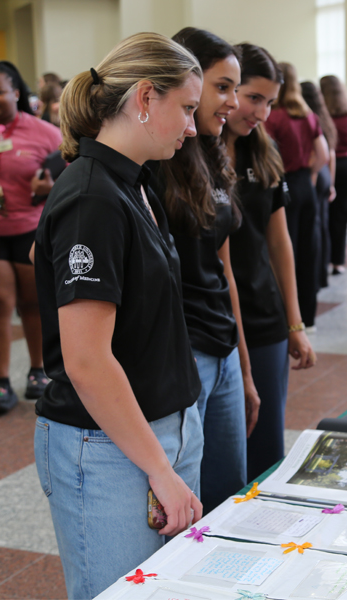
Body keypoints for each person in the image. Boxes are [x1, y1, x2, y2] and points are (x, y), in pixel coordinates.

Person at [33, 33, 204, 599]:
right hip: (107, 447)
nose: (194, 127)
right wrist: (159, 467)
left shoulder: (133, 180)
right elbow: (85, 360)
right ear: (146, 98)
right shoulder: (93, 195)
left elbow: (48, 254)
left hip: (157, 429)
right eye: (187, 108)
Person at [155, 27, 253, 514]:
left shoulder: (213, 156)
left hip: (223, 349)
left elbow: (223, 272)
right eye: (222, 87)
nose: (233, 101)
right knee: (188, 500)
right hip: (184, 355)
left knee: (230, 488)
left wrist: (245, 370)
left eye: (236, 88)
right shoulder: (156, 161)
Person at [223, 43, 316, 480]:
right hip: (215, 321)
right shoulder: (192, 154)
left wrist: (294, 324)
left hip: (264, 319)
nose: (261, 112)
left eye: (270, 102)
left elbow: (279, 243)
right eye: (253, 97)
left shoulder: (262, 151)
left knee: (265, 451)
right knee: (224, 459)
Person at [0, 61, 61, 414]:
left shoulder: (44, 132)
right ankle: (1, 382)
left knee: (33, 303)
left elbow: (68, 174)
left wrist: (48, 188)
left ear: (16, 93)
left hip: (30, 227)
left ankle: (38, 372)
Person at [265, 64, 328, 329]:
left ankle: (288, 317)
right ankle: (309, 317)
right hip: (305, 183)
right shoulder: (308, 114)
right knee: (308, 250)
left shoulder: (273, 117)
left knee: (283, 251)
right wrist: (309, 176)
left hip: (283, 182)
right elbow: (323, 155)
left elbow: (266, 156)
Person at [320, 75, 347, 276]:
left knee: (325, 213)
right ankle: (339, 261)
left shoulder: (322, 116)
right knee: (342, 214)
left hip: (328, 164)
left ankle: (325, 258)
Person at [300, 80, 335, 290]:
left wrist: (311, 177)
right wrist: (331, 181)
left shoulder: (306, 117)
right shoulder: (324, 116)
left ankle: (315, 276)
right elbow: (330, 152)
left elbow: (317, 153)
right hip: (324, 172)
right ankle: (322, 274)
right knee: (322, 226)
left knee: (314, 228)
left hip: (314, 171)